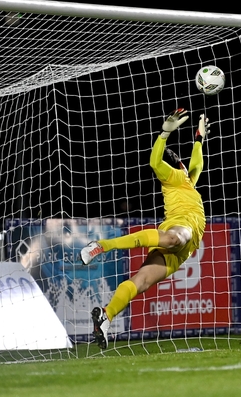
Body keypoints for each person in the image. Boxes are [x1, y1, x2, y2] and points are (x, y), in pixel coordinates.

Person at [79, 108, 209, 349]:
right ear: (177, 166)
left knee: (141, 283)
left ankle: (107, 316)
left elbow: (197, 164)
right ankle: (101, 246)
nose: (184, 165)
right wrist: (164, 135)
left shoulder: (188, 182)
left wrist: (199, 138)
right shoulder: (173, 178)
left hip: (179, 256)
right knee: (175, 238)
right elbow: (154, 161)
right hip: (180, 229)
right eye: (180, 163)